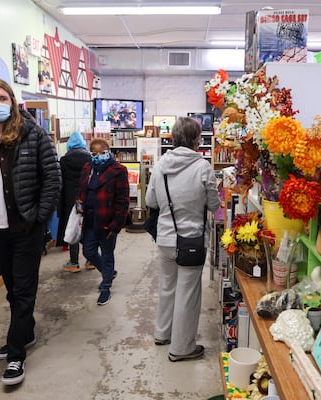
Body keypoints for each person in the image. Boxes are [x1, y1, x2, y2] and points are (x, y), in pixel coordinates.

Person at [0, 78, 61, 386]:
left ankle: (16, 355)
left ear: (12, 101)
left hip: (25, 228)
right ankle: (25, 332)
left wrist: (40, 217)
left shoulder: (32, 133)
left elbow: (52, 178)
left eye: (2, 97)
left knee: (23, 292)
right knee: (12, 291)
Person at [145, 117, 220, 362]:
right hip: (192, 241)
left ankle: (162, 333)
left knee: (167, 286)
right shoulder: (202, 167)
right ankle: (181, 347)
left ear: (173, 138)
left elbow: (150, 202)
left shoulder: (160, 165)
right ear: (196, 140)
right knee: (188, 292)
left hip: (166, 238)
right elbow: (214, 204)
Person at [77, 138, 129, 305]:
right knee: (88, 251)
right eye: (94, 153)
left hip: (107, 221)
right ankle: (108, 272)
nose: (98, 156)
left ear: (109, 152)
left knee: (107, 255)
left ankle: (106, 287)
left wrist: (116, 224)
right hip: (90, 219)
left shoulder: (118, 170)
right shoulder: (87, 169)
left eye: (102, 152)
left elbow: (123, 200)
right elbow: (82, 191)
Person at [56, 131, 94, 272]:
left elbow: (60, 183)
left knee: (73, 228)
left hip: (70, 200)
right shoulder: (90, 159)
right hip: (86, 198)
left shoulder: (64, 161)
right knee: (87, 227)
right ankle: (91, 260)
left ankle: (74, 262)